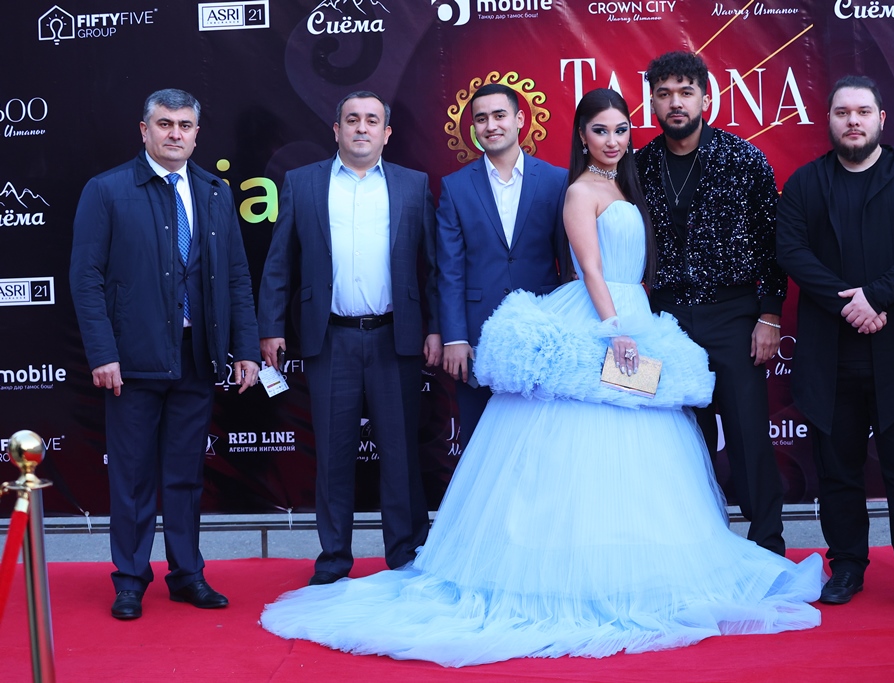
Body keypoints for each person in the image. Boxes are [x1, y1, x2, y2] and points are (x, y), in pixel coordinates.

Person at [260, 89, 822, 667]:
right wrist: (604, 328)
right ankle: (531, 572)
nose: (612, 139)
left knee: (629, 457)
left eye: (620, 129)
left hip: (627, 320)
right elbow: (526, 267)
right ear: (582, 135)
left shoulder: (616, 184)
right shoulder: (553, 189)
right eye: (600, 130)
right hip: (595, 323)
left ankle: (626, 567)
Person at [69, 88, 261, 620]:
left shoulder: (215, 192)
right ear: (144, 130)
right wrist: (103, 353)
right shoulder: (107, 190)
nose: (175, 133)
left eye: (184, 125)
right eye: (164, 123)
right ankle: (130, 580)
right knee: (131, 477)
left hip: (197, 357)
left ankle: (187, 575)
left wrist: (245, 348)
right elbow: (86, 279)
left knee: (185, 475)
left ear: (196, 133)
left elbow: (237, 277)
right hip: (131, 362)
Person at [775, 76, 894, 614]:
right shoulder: (806, 183)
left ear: (880, 119)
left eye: (863, 111)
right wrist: (849, 304)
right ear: (829, 120)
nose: (853, 120)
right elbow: (791, 251)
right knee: (838, 472)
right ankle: (847, 566)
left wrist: (876, 296)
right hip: (830, 357)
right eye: (842, 112)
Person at [258, 91, 440, 587]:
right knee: (333, 454)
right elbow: (279, 262)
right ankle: (334, 558)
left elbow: (433, 266)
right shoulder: (303, 182)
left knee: (399, 454)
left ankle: (404, 555)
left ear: (387, 133)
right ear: (336, 130)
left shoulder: (413, 184)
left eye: (372, 120)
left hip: (395, 338)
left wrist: (436, 328)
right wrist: (270, 327)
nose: (362, 127)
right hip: (330, 338)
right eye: (352, 119)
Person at [635, 51, 788, 556]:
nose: (675, 103)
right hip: (665, 320)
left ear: (705, 97)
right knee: (679, 443)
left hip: (735, 314)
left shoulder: (744, 159)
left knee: (749, 437)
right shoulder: (639, 167)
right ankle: (696, 551)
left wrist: (769, 315)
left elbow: (773, 242)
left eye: (686, 92)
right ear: (652, 102)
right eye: (664, 94)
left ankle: (767, 547)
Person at [436, 83, 566, 447]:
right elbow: (449, 270)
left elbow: (568, 261)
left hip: (544, 331)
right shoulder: (455, 187)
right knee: (481, 443)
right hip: (478, 337)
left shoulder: (556, 180)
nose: (491, 125)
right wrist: (455, 337)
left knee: (541, 444)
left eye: (499, 115)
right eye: (481, 119)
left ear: (520, 119)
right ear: (473, 128)